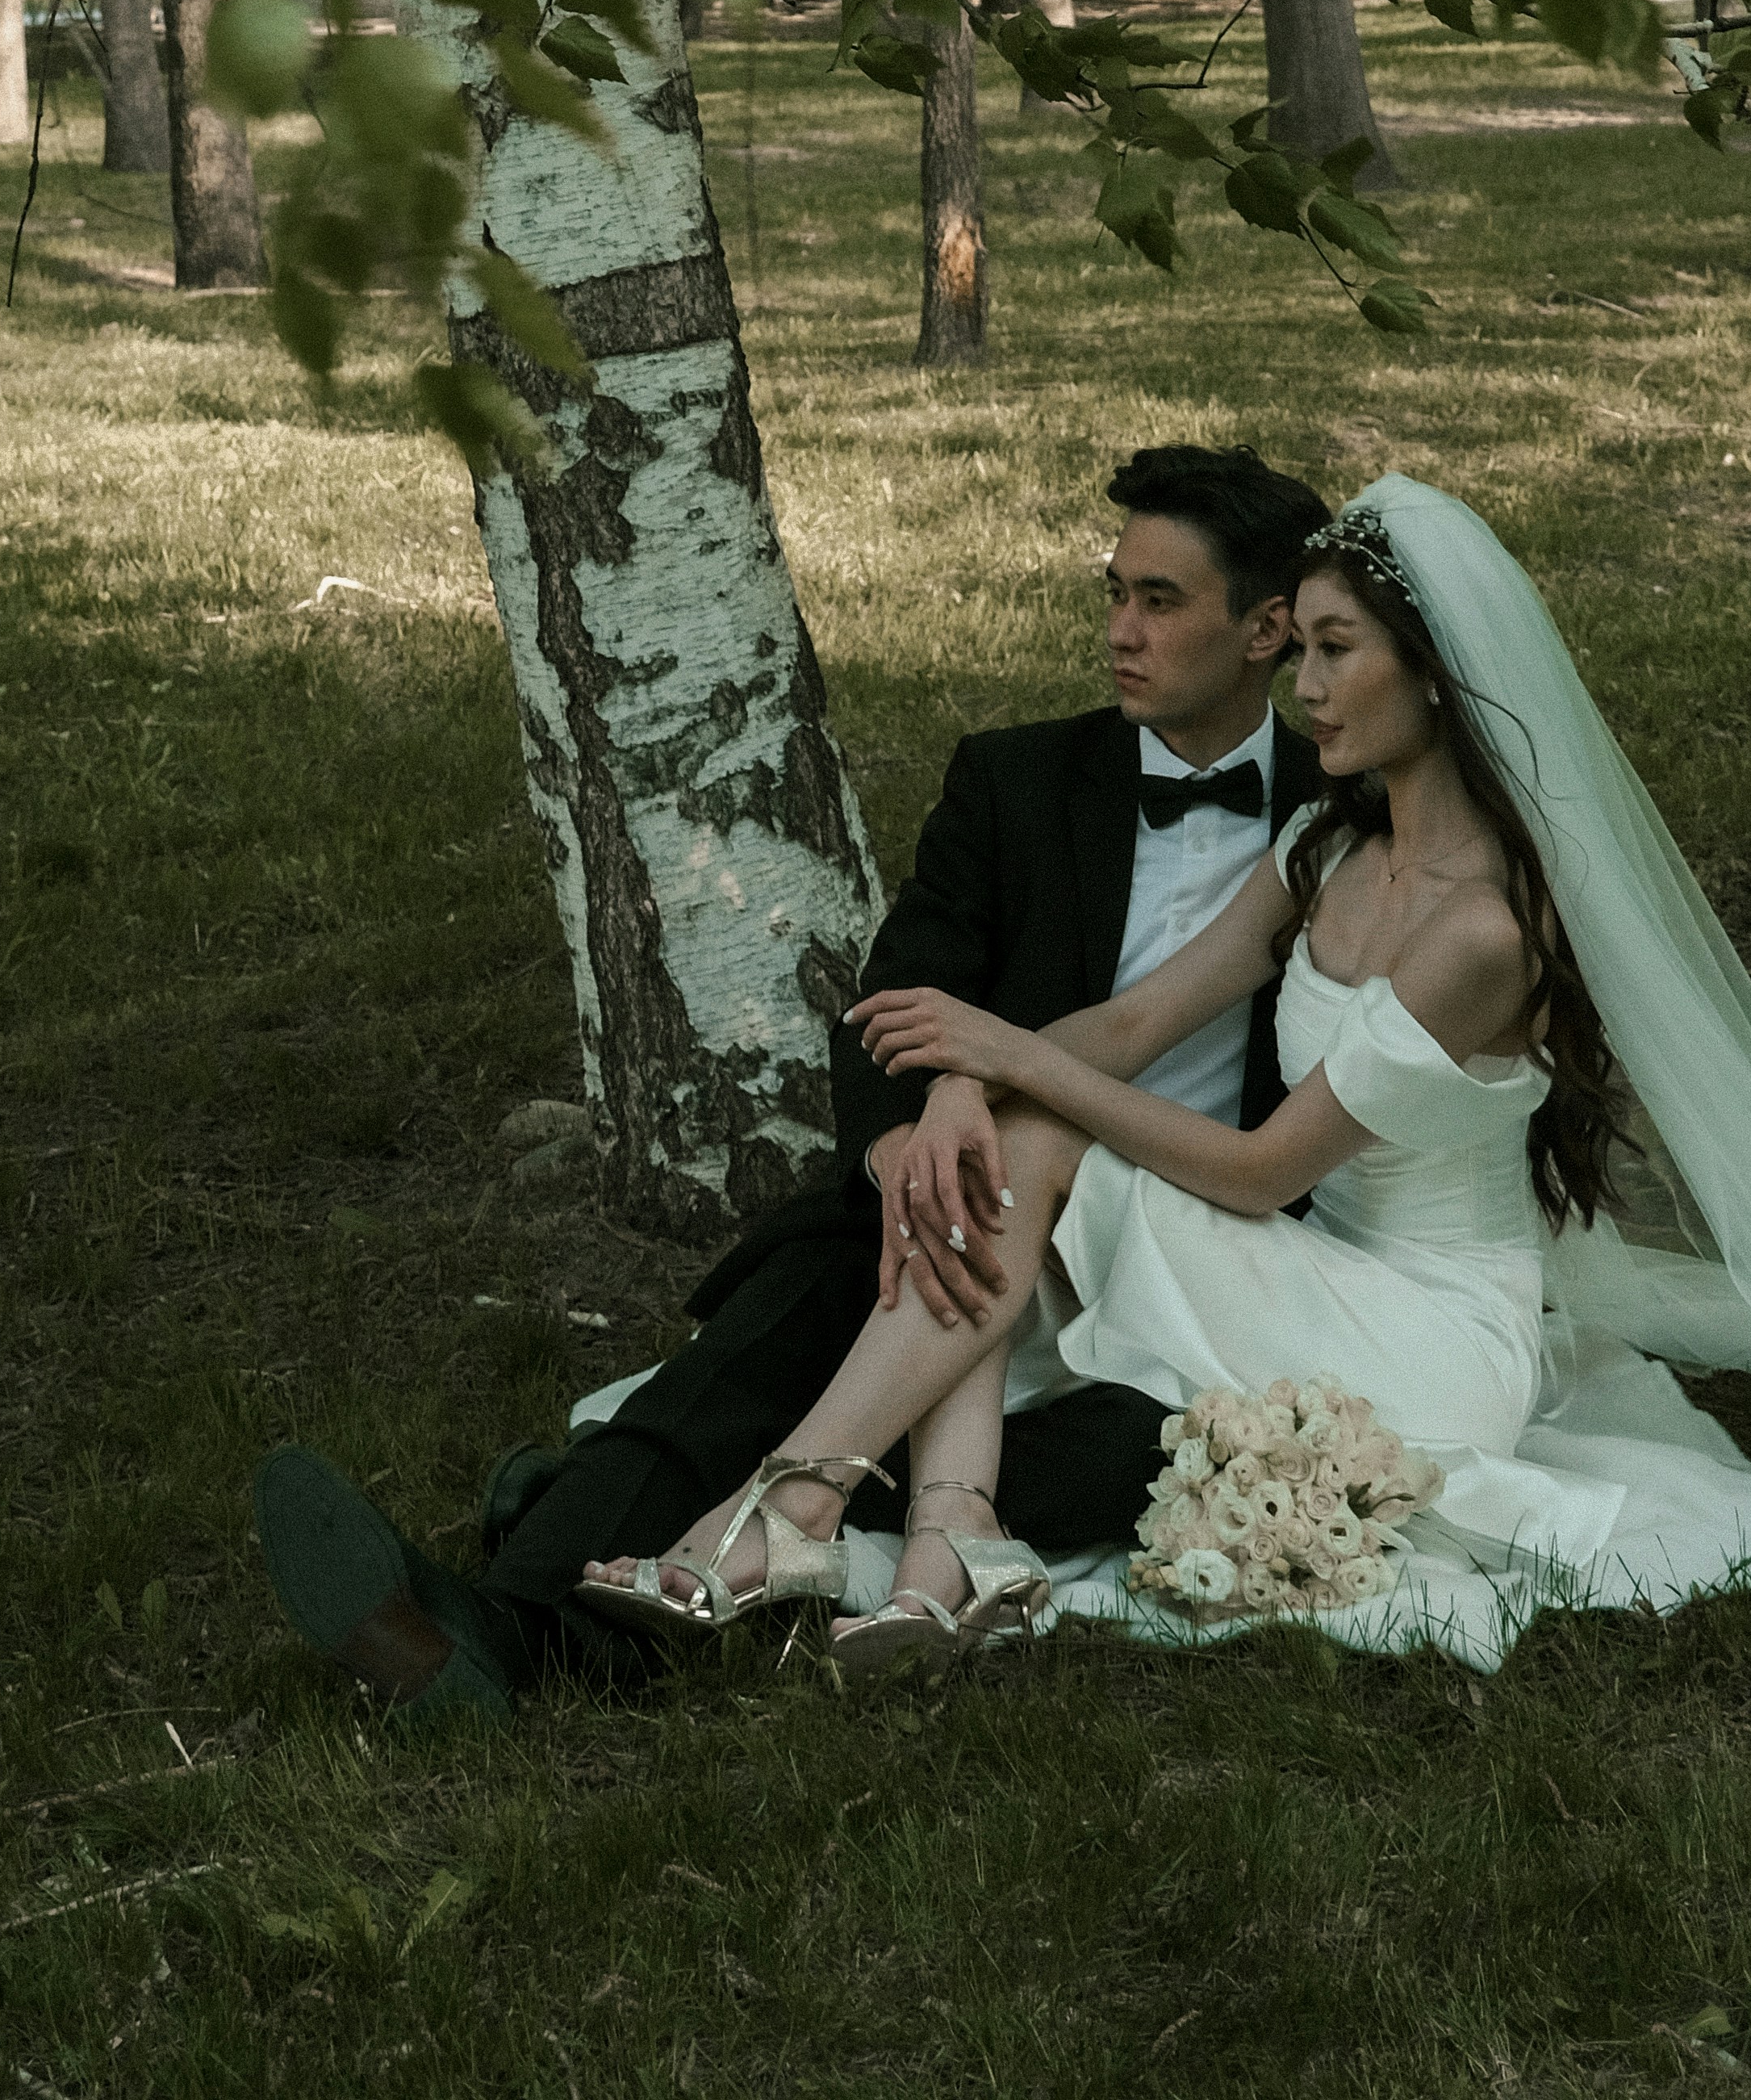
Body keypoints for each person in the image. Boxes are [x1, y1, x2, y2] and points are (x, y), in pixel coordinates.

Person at [588, 474, 1751, 1675]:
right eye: (1297, 650)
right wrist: (974, 1079)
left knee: (1045, 1150)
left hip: (1429, 1329)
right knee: (1018, 1145)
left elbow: (1255, 1172)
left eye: (1333, 652)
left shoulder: (1482, 931)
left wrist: (1013, 1066)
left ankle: (806, 1508)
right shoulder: (1328, 848)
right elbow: (1125, 1025)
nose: (1302, 686)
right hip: (1307, 1262)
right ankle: (930, 1545)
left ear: (1429, 670)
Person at [250, 441, 1331, 1717]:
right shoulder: (1020, 778)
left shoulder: (1342, 814)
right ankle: (512, 1622)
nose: (1120, 631)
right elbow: (896, 1000)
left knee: (1121, 1462)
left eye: (1160, 601)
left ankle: (589, 1509)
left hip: (1191, 1248)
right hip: (984, 1188)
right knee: (794, 1308)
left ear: (1265, 629)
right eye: (1114, 592)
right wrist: (905, 1145)